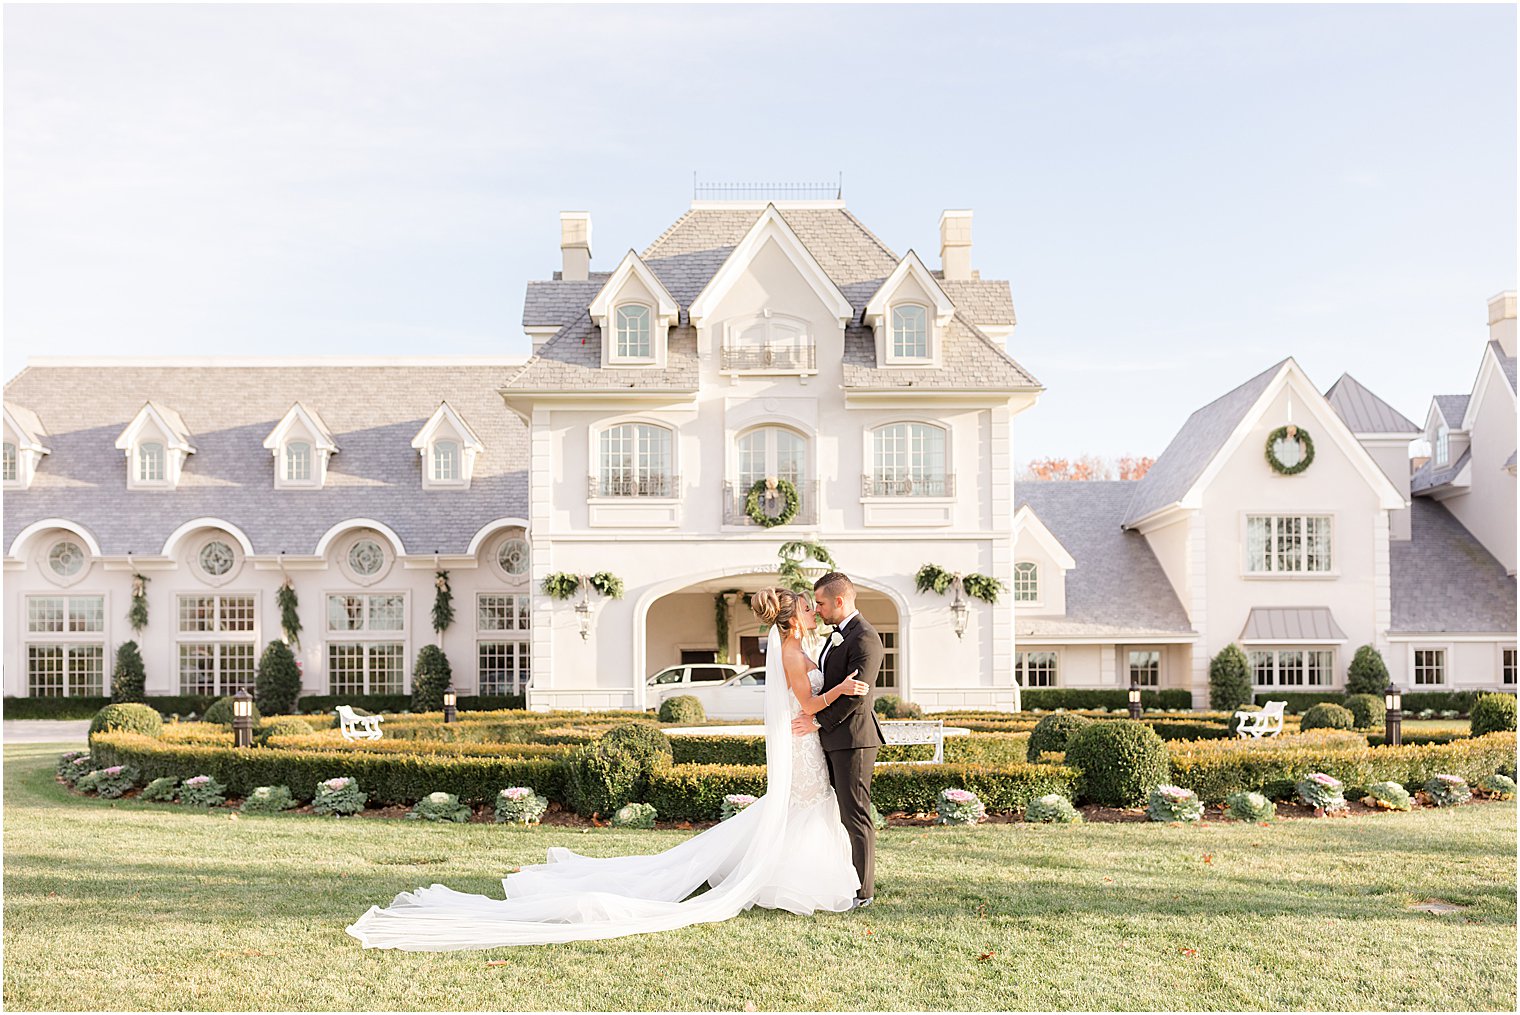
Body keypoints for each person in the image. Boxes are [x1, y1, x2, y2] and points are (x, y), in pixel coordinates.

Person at [345, 585, 872, 950]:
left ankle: (782, 879)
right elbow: (805, 704)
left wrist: (827, 696)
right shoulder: (789, 651)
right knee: (800, 808)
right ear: (793, 616)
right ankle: (786, 881)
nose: (813, 612)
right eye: (808, 607)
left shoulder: (797, 645)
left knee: (795, 812)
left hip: (805, 745)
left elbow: (802, 702)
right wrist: (841, 692)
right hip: (803, 743)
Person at [800, 571, 887, 907]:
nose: (817, 609)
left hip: (854, 739)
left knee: (855, 814)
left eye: (820, 603)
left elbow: (857, 696)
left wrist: (817, 722)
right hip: (833, 739)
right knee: (836, 814)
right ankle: (840, 878)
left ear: (839, 600)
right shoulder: (836, 635)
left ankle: (863, 892)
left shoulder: (865, 637)